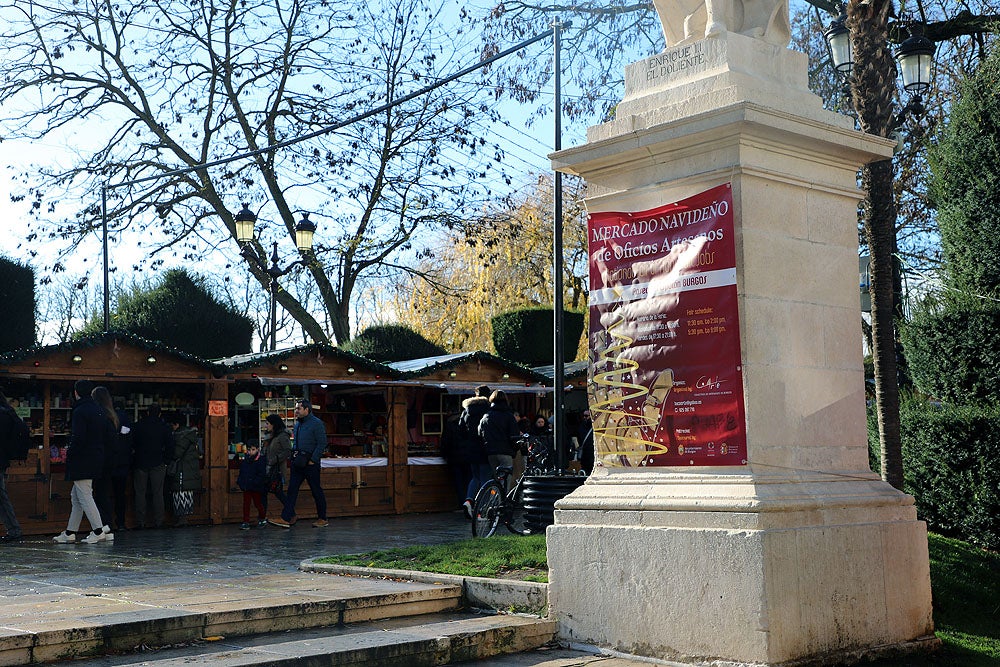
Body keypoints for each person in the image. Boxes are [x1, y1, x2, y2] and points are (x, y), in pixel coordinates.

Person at [53, 379, 113, 544]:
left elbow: (78, 437)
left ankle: (99, 530)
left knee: (85, 495)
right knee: (77, 496)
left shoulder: (80, 411)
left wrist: (69, 453)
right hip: (96, 457)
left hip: (82, 459)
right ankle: (70, 532)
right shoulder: (99, 410)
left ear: (76, 392)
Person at [268, 399, 328, 528]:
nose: (296, 411)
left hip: (310, 463)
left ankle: (322, 518)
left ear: (307, 409)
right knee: (292, 490)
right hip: (298, 462)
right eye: (296, 409)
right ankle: (286, 517)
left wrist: (314, 459)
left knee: (316, 490)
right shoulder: (298, 424)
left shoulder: (317, 424)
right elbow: (295, 443)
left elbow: (322, 443)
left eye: (298, 409)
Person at [91, 386, 128, 532]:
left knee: (98, 494)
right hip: (117, 462)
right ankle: (118, 523)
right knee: (115, 494)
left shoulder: (98, 416)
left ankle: (102, 525)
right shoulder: (116, 417)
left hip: (102, 462)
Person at [131, 404, 173, 529]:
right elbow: (170, 445)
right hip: (158, 462)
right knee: (158, 493)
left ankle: (140, 521)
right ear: (160, 414)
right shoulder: (164, 427)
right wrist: (166, 460)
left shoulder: (139, 425)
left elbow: (132, 443)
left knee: (140, 493)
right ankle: (159, 520)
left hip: (140, 462)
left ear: (148, 413)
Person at [456, 385, 491, 519]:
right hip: (484, 448)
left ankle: (468, 500)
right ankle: (481, 509)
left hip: (471, 449)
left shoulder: (467, 410)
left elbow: (460, 430)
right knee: (485, 479)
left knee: (475, 477)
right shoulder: (488, 409)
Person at [477, 390, 521, 489]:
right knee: (506, 480)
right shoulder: (509, 416)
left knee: (496, 480)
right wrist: (514, 450)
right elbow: (514, 435)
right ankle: (503, 502)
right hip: (505, 451)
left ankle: (495, 500)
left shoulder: (486, 416)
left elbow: (480, 432)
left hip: (491, 452)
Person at [167, 414, 201, 526]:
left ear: (176, 424)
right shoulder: (189, 434)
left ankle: (182, 519)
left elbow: (177, 453)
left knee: (180, 493)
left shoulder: (181, 436)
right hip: (189, 469)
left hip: (183, 470)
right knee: (186, 494)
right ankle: (183, 518)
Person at [0, 389, 24, 543]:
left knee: (1, 497)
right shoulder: (8, 413)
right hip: (2, 459)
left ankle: (14, 530)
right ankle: (14, 530)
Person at [262, 413, 290, 515]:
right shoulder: (269, 437)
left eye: (268, 423)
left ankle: (291, 513)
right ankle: (262, 516)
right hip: (267, 469)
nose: (266, 425)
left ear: (274, 424)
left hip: (276, 470)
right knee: (263, 492)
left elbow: (287, 451)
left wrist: (275, 459)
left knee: (278, 493)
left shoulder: (282, 436)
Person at [236, 442, 268, 530]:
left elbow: (261, 474)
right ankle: (245, 521)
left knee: (257, 503)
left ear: (257, 449)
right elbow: (242, 472)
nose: (250, 452)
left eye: (253, 450)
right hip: (247, 485)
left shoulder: (260, 460)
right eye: (249, 450)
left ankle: (262, 518)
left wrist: (255, 482)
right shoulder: (246, 460)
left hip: (255, 486)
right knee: (246, 504)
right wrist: (240, 481)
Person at [579, 409, 595, 474]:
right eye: (584, 416)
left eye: (586, 416)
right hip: (585, 455)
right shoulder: (582, 426)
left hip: (591, 454)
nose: (584, 418)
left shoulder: (593, 428)